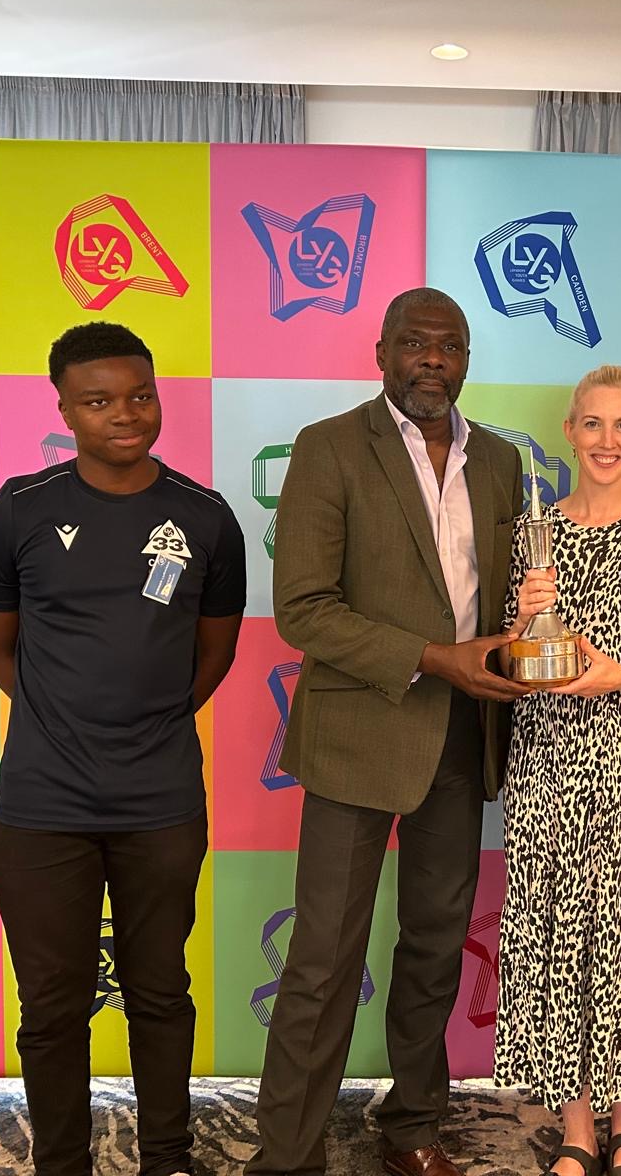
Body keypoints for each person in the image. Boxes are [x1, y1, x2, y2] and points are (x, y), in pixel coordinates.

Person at [244, 288, 527, 1176]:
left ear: (468, 360)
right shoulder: (330, 448)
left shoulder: (502, 462)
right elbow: (304, 609)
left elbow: (511, 597)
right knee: (324, 955)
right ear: (382, 353)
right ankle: (288, 1153)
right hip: (360, 736)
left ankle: (412, 1123)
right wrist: (437, 657)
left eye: (449, 347)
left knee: (437, 945)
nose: (431, 360)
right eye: (414, 344)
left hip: (461, 739)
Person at [0, 321, 246, 1176]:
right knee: (52, 1007)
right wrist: (69, 720)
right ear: (63, 407)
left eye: (139, 395)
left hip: (159, 803)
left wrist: (142, 723)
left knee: (161, 994)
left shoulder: (205, 518)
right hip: (42, 807)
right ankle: (63, 1164)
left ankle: (167, 1158)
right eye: (99, 401)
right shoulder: (18, 511)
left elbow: (213, 656)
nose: (125, 415)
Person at [495, 364, 621, 1176]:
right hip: (547, 761)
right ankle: (579, 1132)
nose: (607, 440)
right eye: (592, 424)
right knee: (559, 940)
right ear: (570, 431)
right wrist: (521, 617)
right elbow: (515, 662)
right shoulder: (531, 537)